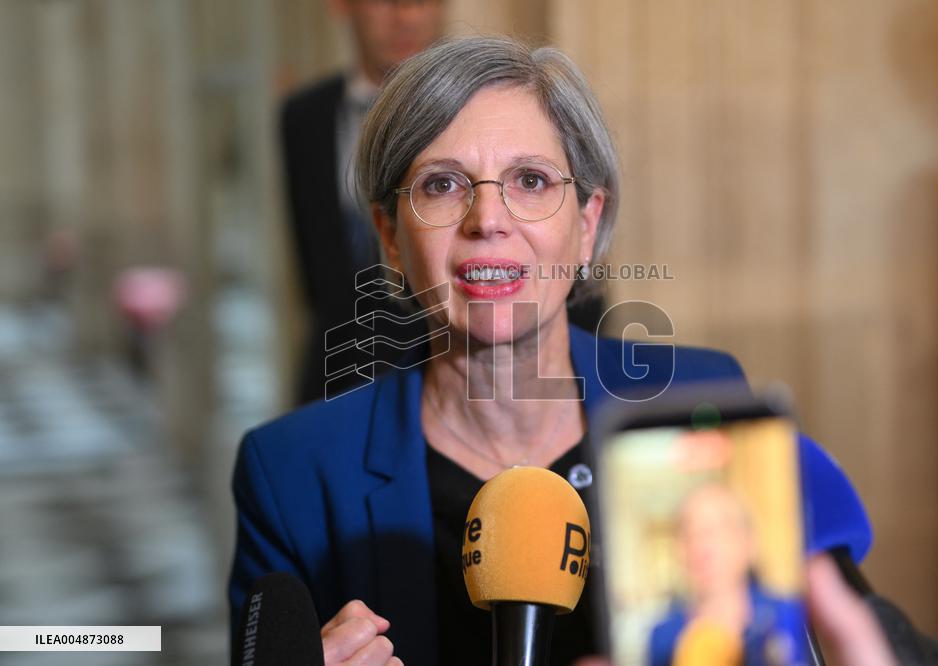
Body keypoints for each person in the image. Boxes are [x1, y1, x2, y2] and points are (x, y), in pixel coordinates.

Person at [230, 37, 886, 665]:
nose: (488, 220)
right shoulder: (290, 475)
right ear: (391, 239)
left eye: (532, 181)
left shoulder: (704, 405)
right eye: (442, 184)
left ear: (587, 226)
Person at [280, 0, 445, 404]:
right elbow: (314, 267)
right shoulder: (304, 118)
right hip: (339, 374)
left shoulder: (479, 110)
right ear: (342, 6)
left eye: (423, 1)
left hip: (450, 372)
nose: (406, 16)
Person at [648, 484, 806, 666]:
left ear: (749, 542)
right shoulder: (662, 640)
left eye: (714, 531)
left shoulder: (790, 617)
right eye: (688, 533)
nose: (700, 546)